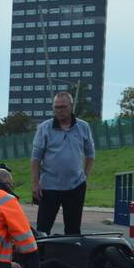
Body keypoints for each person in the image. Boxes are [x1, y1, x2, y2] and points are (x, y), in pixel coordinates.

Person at [31, 91, 96, 235]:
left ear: (71, 106)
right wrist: (35, 183)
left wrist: (85, 175)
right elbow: (36, 157)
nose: (59, 110)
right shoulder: (44, 128)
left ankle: (72, 257)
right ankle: (39, 256)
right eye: (56, 107)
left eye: (62, 107)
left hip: (75, 186)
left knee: (73, 230)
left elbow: (90, 153)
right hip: (49, 186)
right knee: (42, 228)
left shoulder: (83, 127)